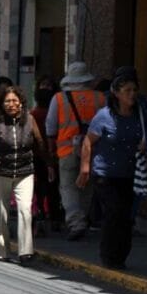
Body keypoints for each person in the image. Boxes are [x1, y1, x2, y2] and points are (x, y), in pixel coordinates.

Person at [76, 71, 146, 269]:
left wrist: (145, 144)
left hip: (130, 174)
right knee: (114, 213)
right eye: (127, 90)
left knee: (126, 217)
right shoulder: (104, 116)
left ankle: (121, 256)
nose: (132, 94)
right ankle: (109, 256)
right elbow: (88, 142)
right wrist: (85, 169)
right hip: (105, 175)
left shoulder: (140, 116)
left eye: (134, 90)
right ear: (116, 93)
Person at [0, 86, 53, 265]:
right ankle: (3, 250)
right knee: (1, 214)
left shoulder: (30, 120)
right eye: (7, 101)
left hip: (24, 172)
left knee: (25, 210)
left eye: (14, 101)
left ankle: (25, 252)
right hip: (0, 172)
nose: (11, 104)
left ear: (21, 103)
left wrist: (49, 165)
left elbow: (40, 143)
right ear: (2, 104)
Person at [46, 61, 105, 241]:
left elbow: (50, 127)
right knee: (87, 186)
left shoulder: (58, 98)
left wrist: (51, 149)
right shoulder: (100, 98)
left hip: (67, 150)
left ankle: (75, 222)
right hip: (93, 150)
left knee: (68, 187)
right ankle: (82, 219)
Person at [30, 76, 62, 236]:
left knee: (37, 189)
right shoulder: (57, 114)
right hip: (52, 154)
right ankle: (54, 217)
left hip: (36, 155)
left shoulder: (33, 114)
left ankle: (40, 216)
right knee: (52, 188)